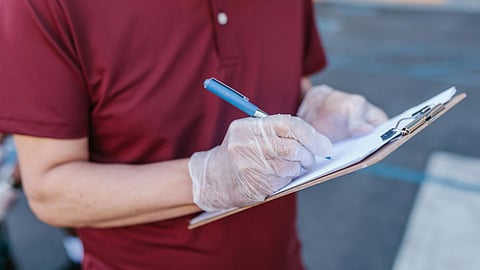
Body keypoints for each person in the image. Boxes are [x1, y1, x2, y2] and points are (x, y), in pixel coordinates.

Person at [0, 1, 388, 269]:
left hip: (282, 258)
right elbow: (51, 190)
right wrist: (207, 177)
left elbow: (290, 79)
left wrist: (313, 108)